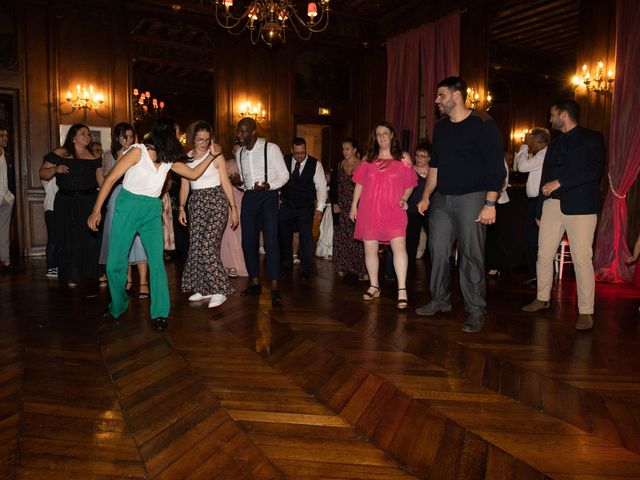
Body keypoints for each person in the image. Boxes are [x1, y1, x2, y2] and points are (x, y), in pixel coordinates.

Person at [87, 117, 223, 331]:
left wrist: (212, 156)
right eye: (177, 134)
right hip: (128, 206)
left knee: (157, 263)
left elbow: (195, 173)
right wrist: (96, 210)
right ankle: (118, 304)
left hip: (152, 209)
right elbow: (111, 178)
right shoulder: (137, 152)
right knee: (114, 264)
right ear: (167, 134)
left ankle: (160, 312)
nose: (179, 138)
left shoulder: (169, 160)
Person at [416, 76, 505, 333]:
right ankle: (439, 300)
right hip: (442, 198)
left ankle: (475, 310)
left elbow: (496, 168)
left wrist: (490, 203)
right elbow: (435, 167)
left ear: (457, 95)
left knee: (470, 256)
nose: (436, 100)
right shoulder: (441, 128)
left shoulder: (483, 124)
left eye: (440, 95)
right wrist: (425, 196)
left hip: (473, 198)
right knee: (438, 251)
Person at [522, 99, 605, 331]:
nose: (550, 119)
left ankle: (586, 310)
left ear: (564, 114)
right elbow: (545, 177)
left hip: (581, 208)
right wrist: (539, 209)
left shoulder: (593, 138)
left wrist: (561, 182)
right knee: (544, 254)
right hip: (550, 206)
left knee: (581, 259)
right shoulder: (555, 144)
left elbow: (594, 171)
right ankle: (542, 297)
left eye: (552, 114)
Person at [349, 121, 417, 309]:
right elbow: (360, 183)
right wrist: (354, 205)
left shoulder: (403, 157)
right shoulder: (368, 159)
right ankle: (374, 285)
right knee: (370, 249)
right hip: (369, 210)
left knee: (399, 247)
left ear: (392, 135)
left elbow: (410, 183)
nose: (381, 138)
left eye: (385, 133)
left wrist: (404, 198)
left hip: (394, 209)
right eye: (378, 135)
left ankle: (401, 289)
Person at [178, 121, 239, 308]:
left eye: (206, 139)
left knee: (207, 246)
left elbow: (226, 184)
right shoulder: (186, 158)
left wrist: (233, 208)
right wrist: (181, 206)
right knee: (196, 246)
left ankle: (220, 289)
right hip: (196, 203)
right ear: (192, 139)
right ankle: (205, 288)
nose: (203, 144)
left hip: (216, 201)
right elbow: (185, 185)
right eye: (199, 139)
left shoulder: (216, 155)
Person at [230, 117, 289, 306]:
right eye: (238, 131)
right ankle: (254, 282)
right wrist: (237, 182)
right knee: (248, 242)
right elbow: (243, 184)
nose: (239, 135)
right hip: (249, 198)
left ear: (254, 132)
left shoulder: (271, 149)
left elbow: (285, 175)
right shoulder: (239, 153)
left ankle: (274, 286)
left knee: (271, 242)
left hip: (269, 197)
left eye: (243, 131)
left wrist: (270, 185)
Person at [40, 124, 105, 287]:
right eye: (83, 133)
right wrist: (55, 168)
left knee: (92, 237)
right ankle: (72, 274)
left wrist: (109, 195)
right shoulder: (61, 152)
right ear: (73, 136)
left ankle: (98, 273)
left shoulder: (94, 155)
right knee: (70, 238)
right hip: (66, 201)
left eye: (89, 134)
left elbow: (100, 179)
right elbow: (42, 172)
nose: (87, 137)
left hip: (89, 200)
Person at [98, 123, 149, 297]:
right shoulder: (109, 155)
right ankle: (128, 279)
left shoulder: (140, 152)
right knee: (122, 237)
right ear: (117, 138)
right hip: (117, 194)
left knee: (139, 238)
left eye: (130, 136)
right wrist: (120, 158)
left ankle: (143, 282)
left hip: (136, 195)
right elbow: (107, 178)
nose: (128, 140)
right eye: (124, 137)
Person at [279, 137, 327, 280]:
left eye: (303, 152)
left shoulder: (315, 164)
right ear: (292, 150)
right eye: (297, 153)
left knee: (306, 238)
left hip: (305, 207)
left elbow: (321, 187)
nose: (300, 155)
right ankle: (286, 263)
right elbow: (279, 179)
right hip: (286, 205)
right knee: (284, 236)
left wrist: (320, 207)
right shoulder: (284, 160)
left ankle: (306, 268)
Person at [515, 127, 550, 287]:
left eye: (531, 139)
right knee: (530, 240)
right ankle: (536, 276)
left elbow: (521, 167)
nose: (529, 142)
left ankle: (539, 278)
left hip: (540, 202)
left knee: (533, 240)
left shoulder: (544, 155)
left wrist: (523, 146)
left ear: (539, 140)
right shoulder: (540, 155)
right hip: (535, 201)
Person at [331, 138, 367, 280]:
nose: (345, 152)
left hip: (357, 205)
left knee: (357, 237)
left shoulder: (362, 165)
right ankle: (341, 267)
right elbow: (334, 186)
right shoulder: (339, 165)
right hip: (341, 206)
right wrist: (334, 203)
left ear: (355, 150)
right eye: (343, 149)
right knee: (341, 236)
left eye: (347, 149)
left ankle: (360, 270)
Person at [220, 140, 248, 277]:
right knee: (229, 233)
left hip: (244, 202)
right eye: (235, 150)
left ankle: (243, 264)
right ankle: (230, 265)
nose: (238, 153)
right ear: (232, 152)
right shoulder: (226, 164)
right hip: (229, 201)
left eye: (240, 150)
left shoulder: (249, 165)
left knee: (242, 233)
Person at [0, 126, 15, 269]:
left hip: (6, 198)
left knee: (4, 229)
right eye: (1, 135)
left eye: (6, 135)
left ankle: (5, 259)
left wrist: (11, 195)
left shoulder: (7, 155)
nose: (5, 138)